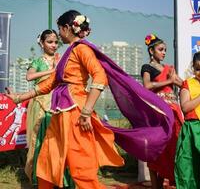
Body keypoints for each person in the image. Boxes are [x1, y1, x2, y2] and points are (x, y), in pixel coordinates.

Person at [6, 11, 176, 188]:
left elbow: (99, 77)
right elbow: (50, 83)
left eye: (59, 29)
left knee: (81, 168)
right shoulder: (69, 53)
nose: (59, 34)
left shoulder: (82, 49)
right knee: (47, 162)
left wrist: (86, 112)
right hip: (60, 112)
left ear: (66, 28)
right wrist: (19, 97)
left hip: (76, 113)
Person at [25, 29, 74, 188]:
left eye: (55, 42)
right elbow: (29, 76)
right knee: (42, 142)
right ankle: (41, 178)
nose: (54, 45)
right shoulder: (38, 61)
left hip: (59, 104)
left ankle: (62, 178)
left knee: (60, 142)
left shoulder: (62, 59)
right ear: (41, 43)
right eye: (49, 42)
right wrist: (52, 70)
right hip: (41, 105)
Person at [141, 34, 184, 189]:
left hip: (173, 111)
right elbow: (147, 86)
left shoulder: (170, 69)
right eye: (160, 49)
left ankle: (174, 179)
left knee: (175, 145)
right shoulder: (147, 68)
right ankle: (155, 186)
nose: (164, 52)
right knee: (157, 150)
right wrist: (170, 81)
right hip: (158, 112)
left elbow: (181, 84)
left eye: (165, 50)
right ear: (151, 51)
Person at [175, 51, 200, 189]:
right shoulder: (188, 84)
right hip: (192, 130)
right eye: (197, 68)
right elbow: (185, 107)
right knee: (188, 167)